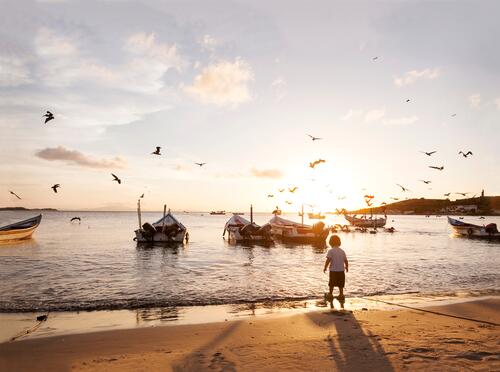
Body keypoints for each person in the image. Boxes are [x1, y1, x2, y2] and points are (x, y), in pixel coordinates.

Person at [323, 235, 348, 302]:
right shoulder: (342, 251)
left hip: (333, 270)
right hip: (341, 270)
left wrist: (325, 267)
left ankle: (330, 294)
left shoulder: (331, 251)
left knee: (332, 283)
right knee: (341, 283)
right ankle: (341, 294)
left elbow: (328, 260)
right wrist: (347, 267)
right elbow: (345, 260)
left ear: (331, 242)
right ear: (339, 242)